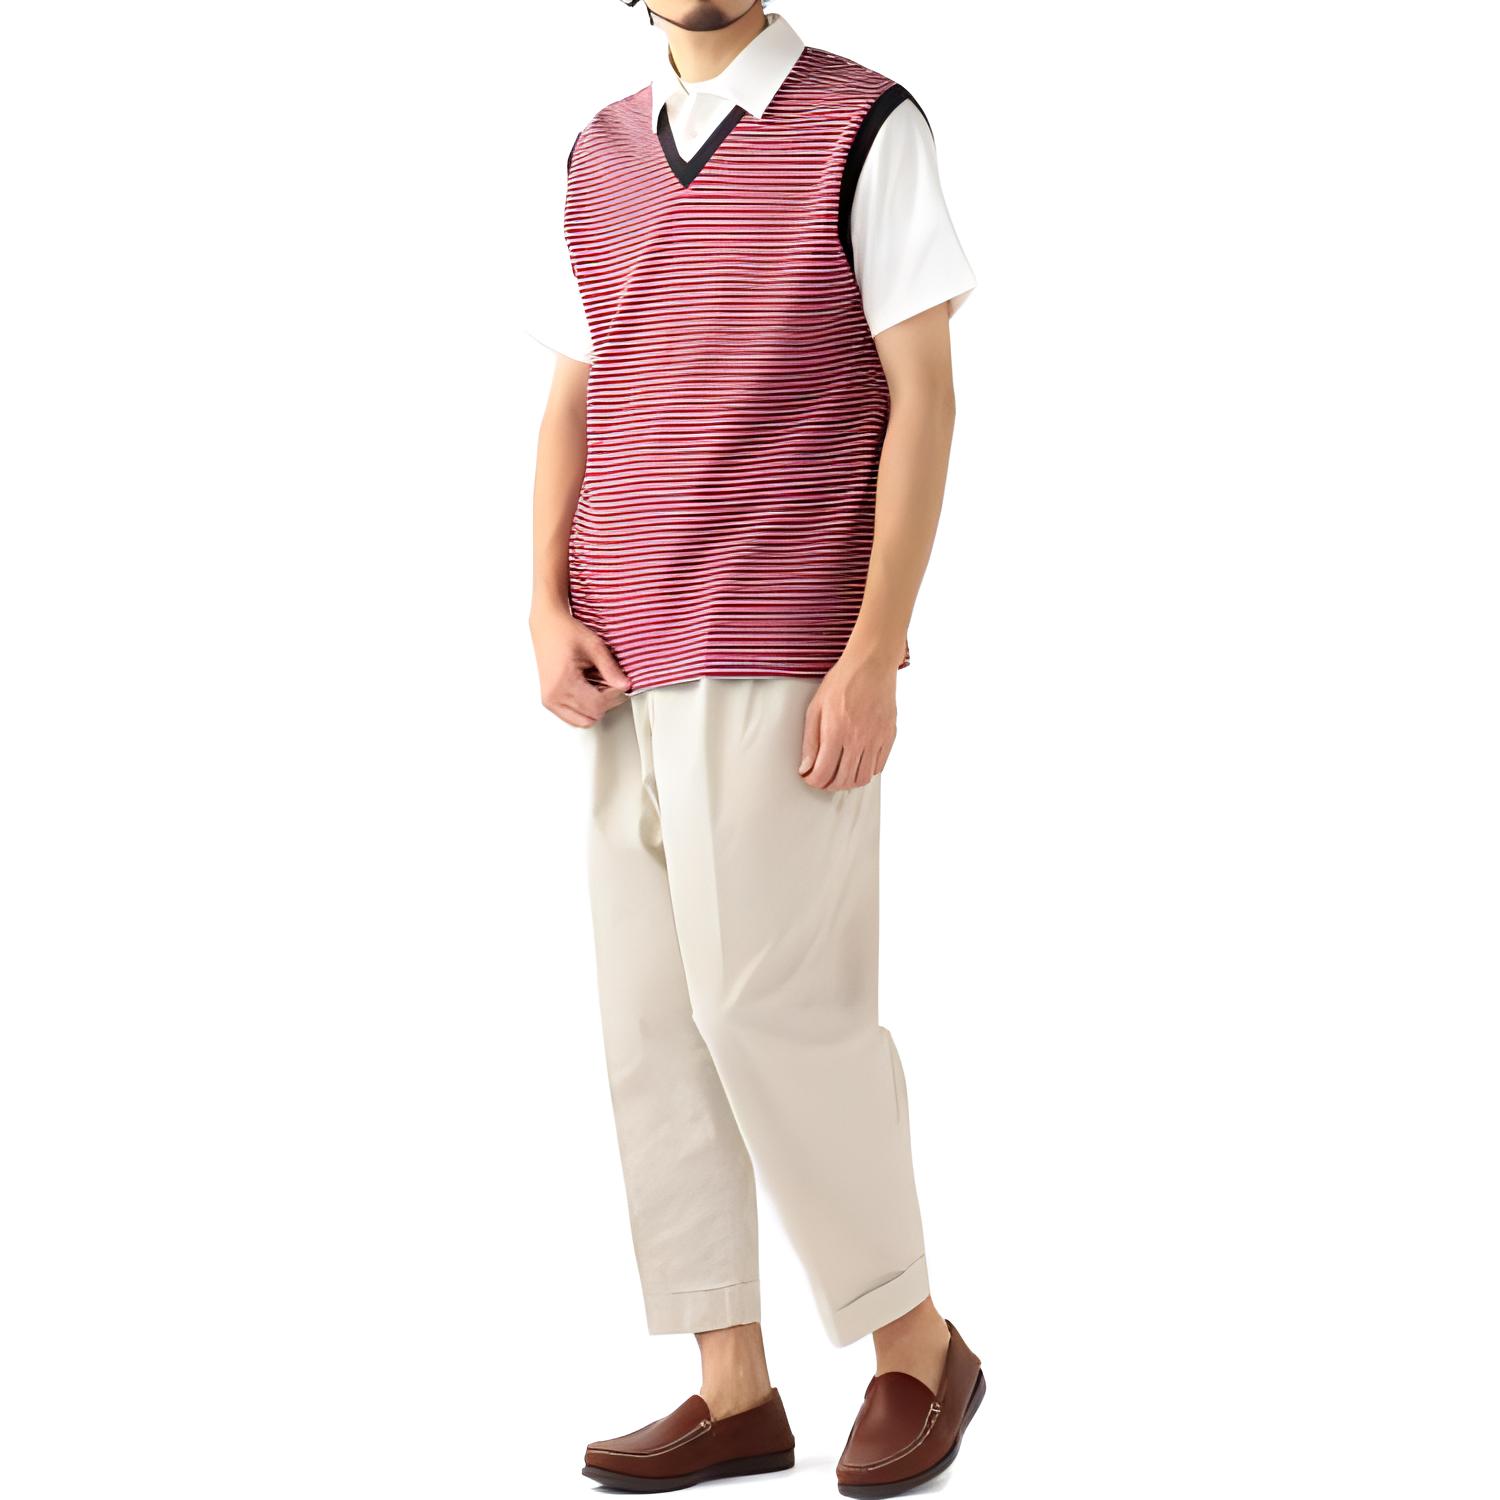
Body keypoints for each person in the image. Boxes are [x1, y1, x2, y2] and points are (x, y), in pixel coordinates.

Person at [527, 4, 979, 1492]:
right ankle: (733, 1388)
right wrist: (542, 601)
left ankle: (918, 1346)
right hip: (624, 650)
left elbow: (924, 395)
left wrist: (873, 646)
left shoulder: (864, 125)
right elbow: (578, 390)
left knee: (772, 1012)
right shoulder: (597, 154)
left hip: (783, 642)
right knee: (655, 1027)